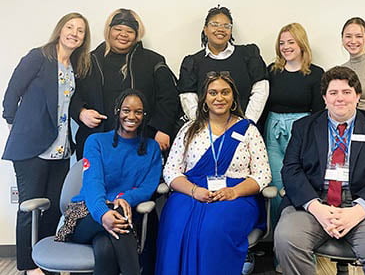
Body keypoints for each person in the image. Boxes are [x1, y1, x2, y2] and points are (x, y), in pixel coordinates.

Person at [274, 66, 365, 274]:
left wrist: (358, 210)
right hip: (314, 204)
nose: (340, 98)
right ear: (324, 97)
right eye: (333, 93)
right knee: (287, 239)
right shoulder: (304, 127)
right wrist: (315, 207)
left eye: (347, 92)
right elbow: (291, 170)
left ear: (357, 96)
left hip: (364, 207)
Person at [156, 71, 271, 275]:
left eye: (225, 92)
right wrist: (194, 191)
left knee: (212, 228)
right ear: (205, 98)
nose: (219, 98)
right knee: (176, 225)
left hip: (236, 195)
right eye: (213, 93)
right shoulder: (189, 129)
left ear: (233, 97)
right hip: (191, 192)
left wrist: (233, 192)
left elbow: (263, 174)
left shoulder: (248, 130)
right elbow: (171, 170)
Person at [2, 13, 91, 275]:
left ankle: (47, 263)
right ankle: (29, 266)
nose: (74, 33)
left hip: (62, 150)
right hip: (32, 150)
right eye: (70, 27)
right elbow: (12, 92)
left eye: (81, 31)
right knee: (30, 208)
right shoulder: (39, 57)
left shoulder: (76, 66)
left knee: (54, 209)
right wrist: (13, 123)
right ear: (59, 30)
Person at [56, 89, 162, 275]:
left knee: (104, 248)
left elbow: (148, 187)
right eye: (126, 110)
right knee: (116, 212)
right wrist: (103, 212)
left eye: (138, 112)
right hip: (87, 213)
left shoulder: (152, 147)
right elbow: (92, 183)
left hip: (123, 215)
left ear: (144, 116)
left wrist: (124, 198)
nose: (132, 116)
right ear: (117, 111)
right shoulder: (96, 141)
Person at [70, 8, 179, 159]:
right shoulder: (87, 61)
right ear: (109, 31)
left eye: (129, 31)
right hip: (97, 142)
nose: (123, 34)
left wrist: (163, 128)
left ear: (136, 35)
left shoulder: (154, 61)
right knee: (95, 182)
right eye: (118, 29)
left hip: (142, 142)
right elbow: (69, 93)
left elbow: (169, 97)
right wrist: (80, 113)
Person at [262, 23, 325, 227]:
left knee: (300, 183)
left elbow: (319, 113)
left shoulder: (316, 74)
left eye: (291, 42)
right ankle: (280, 238)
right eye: (282, 43)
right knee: (276, 183)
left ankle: (302, 236)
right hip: (273, 132)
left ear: (301, 44)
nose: (286, 47)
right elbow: (263, 105)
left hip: (302, 133)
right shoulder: (272, 71)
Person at [178, 6, 268, 123]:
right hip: (206, 129)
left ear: (230, 31)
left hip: (245, 127)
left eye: (226, 26)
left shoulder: (248, 55)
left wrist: (246, 123)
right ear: (205, 29)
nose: (220, 29)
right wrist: (204, 126)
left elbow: (261, 89)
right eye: (214, 24)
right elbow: (188, 97)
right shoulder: (192, 63)